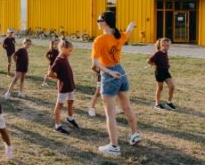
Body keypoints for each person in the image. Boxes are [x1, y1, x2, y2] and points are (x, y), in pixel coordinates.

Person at [92, 11, 141, 156]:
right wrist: (131, 25)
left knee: (110, 114)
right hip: (121, 72)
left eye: (98, 20)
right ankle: (134, 134)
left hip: (110, 75)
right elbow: (128, 32)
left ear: (105, 22)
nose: (97, 22)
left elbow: (95, 62)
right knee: (126, 107)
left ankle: (114, 146)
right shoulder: (119, 35)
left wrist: (110, 73)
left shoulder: (99, 40)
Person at [47, 39, 80, 135]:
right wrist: (59, 77)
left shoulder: (65, 57)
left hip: (70, 85)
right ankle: (57, 126)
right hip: (63, 87)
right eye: (69, 50)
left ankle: (70, 118)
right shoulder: (58, 60)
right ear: (62, 49)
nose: (71, 52)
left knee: (71, 102)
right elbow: (49, 74)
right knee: (59, 106)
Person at [148, 38, 175, 110]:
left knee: (172, 86)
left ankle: (169, 102)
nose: (165, 47)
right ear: (160, 45)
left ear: (169, 46)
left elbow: (164, 60)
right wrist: (155, 65)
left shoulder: (165, 52)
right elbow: (149, 61)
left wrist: (167, 65)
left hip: (166, 72)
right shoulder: (157, 53)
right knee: (160, 88)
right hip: (159, 72)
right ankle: (157, 104)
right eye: (163, 45)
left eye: (167, 45)